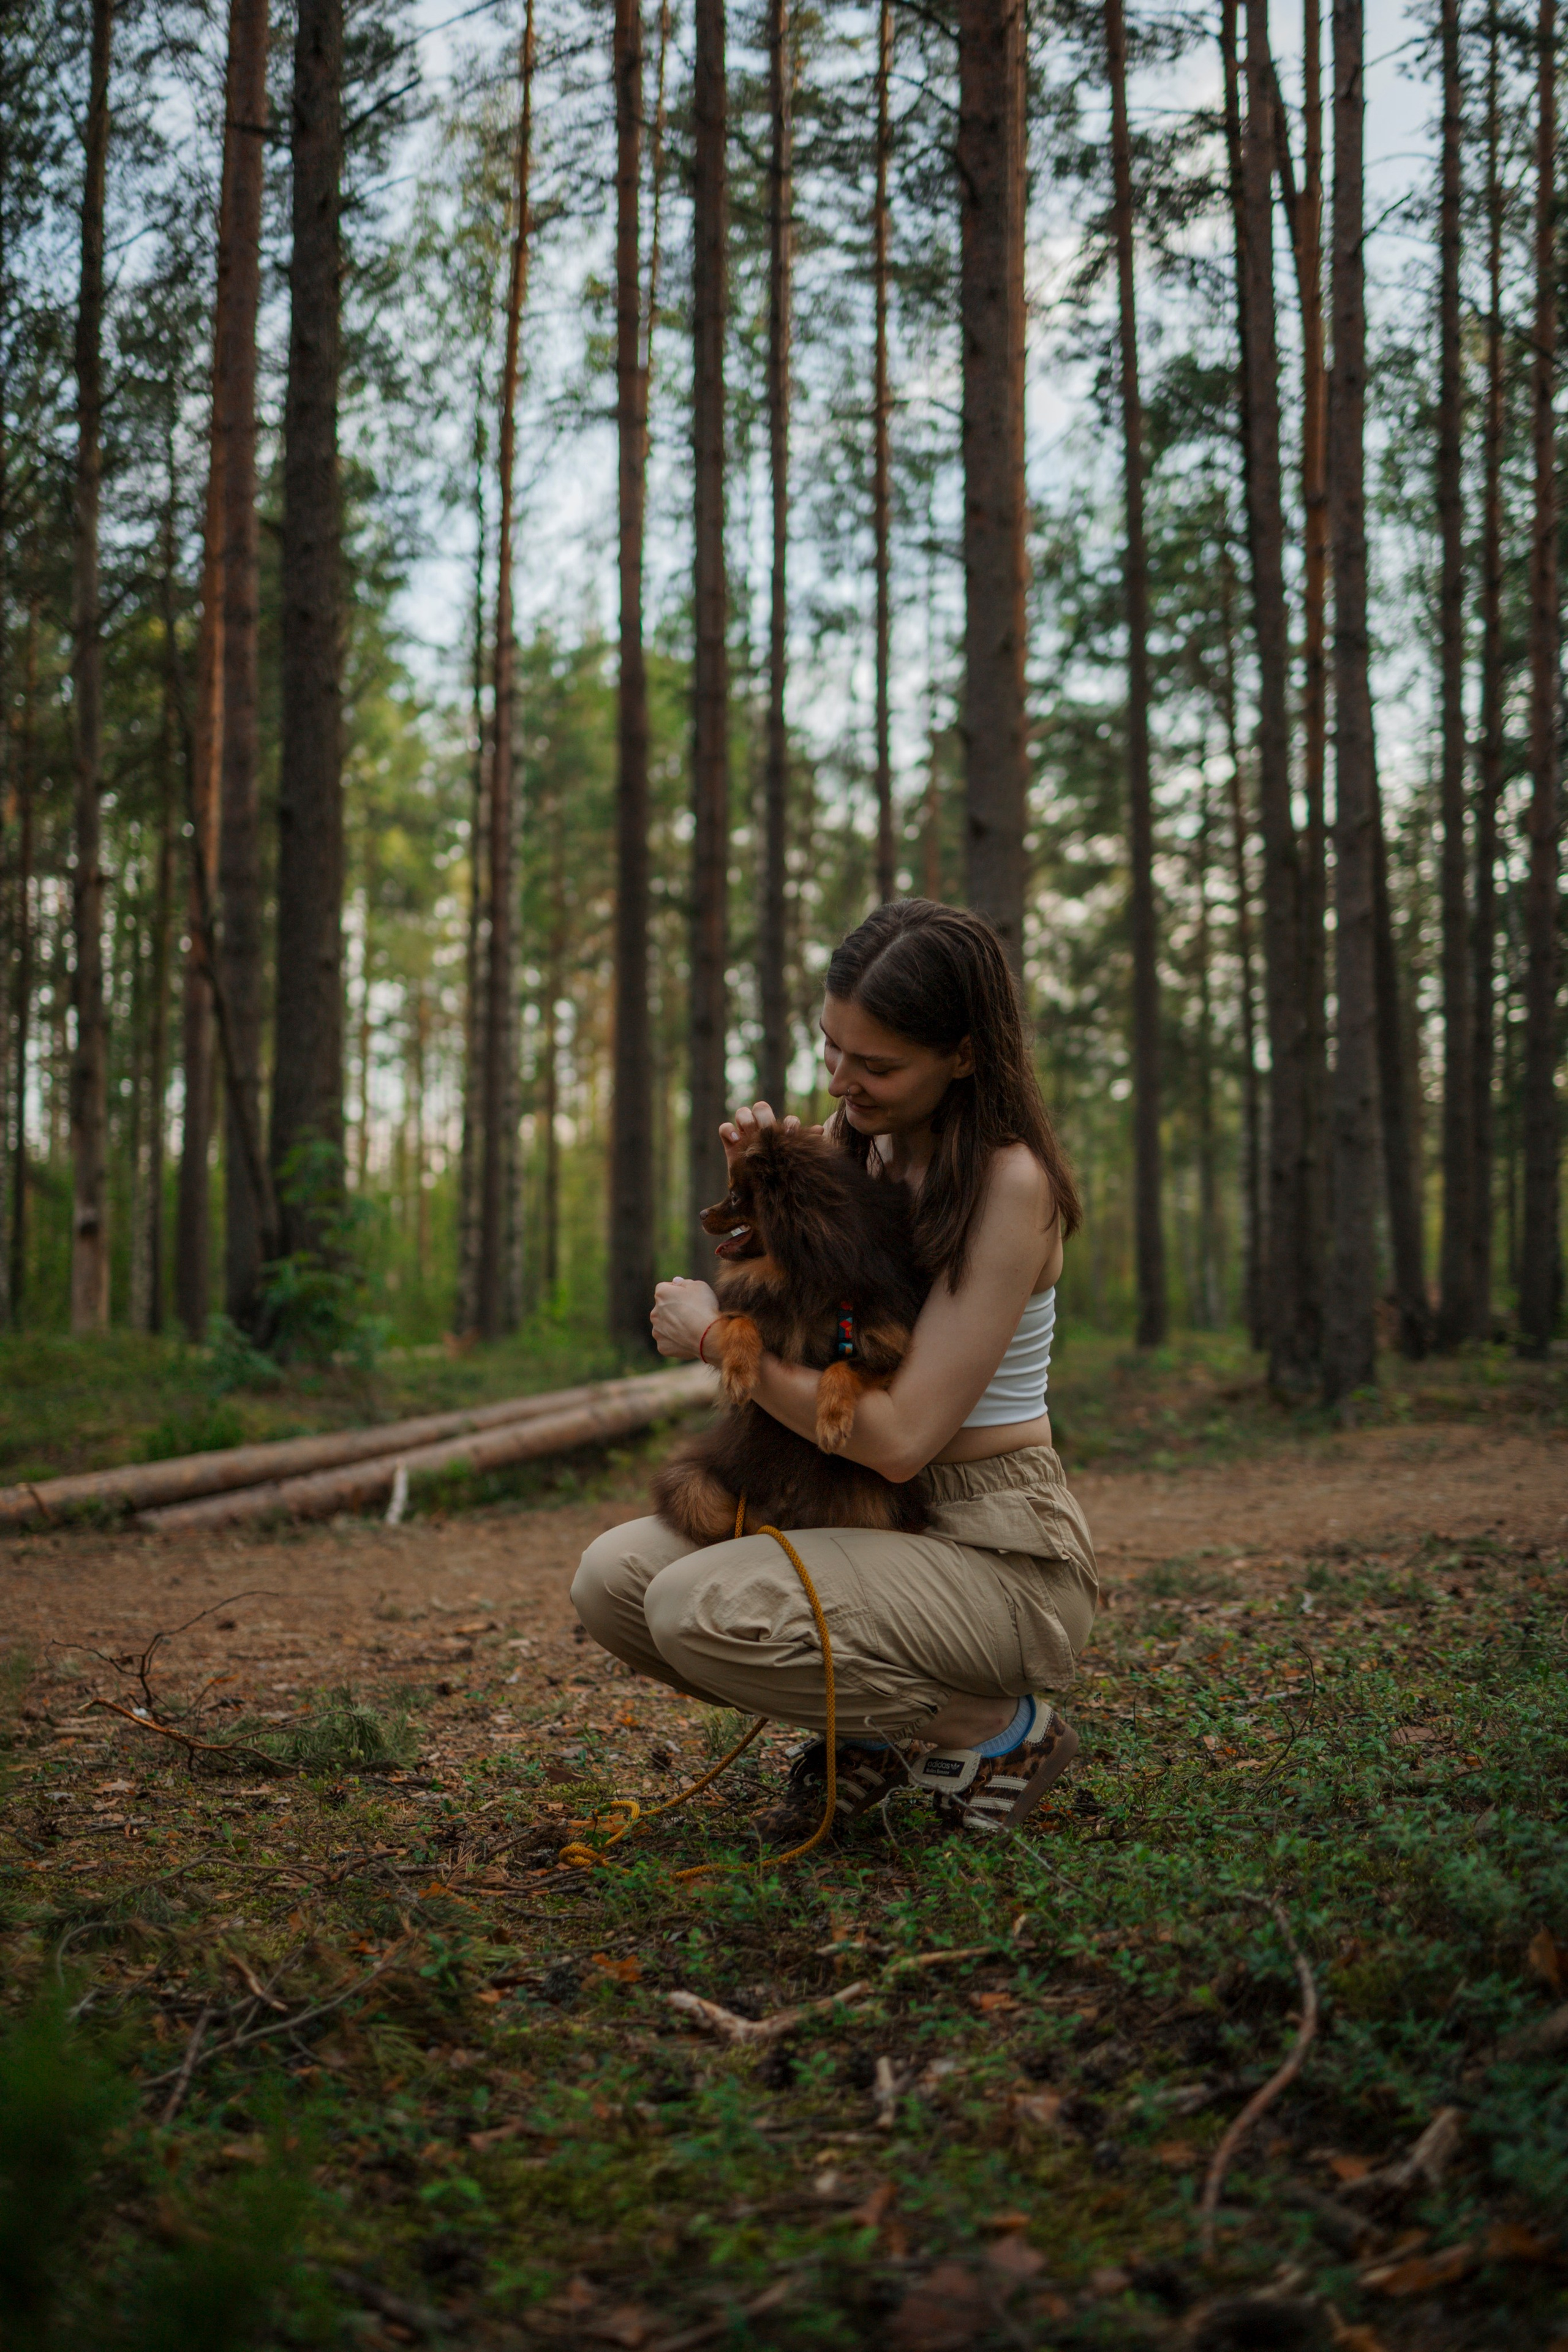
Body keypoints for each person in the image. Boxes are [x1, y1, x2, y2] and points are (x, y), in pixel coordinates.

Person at [571, 899, 1098, 1846]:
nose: (845, 1082)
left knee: (701, 1608)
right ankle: (869, 1736)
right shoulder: (860, 1140)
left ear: (967, 1056)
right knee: (614, 1580)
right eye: (833, 1050)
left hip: (990, 1544)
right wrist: (763, 1194)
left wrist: (710, 1342)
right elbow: (814, 1315)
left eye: (879, 1064)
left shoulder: (1009, 1185)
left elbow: (896, 1441)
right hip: (851, 1509)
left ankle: (1000, 1732)